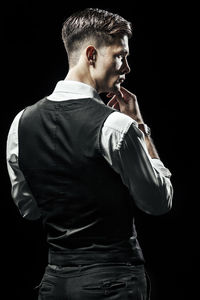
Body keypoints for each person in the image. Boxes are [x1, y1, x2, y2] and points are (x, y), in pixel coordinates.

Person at [6, 8, 173, 300]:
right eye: (120, 55)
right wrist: (141, 129)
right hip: (113, 284)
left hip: (55, 285)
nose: (127, 67)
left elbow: (29, 209)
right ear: (92, 54)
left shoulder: (20, 122)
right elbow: (159, 201)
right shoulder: (117, 126)